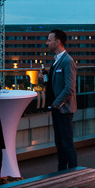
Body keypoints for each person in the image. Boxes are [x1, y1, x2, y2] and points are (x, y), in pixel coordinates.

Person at [38, 29, 77, 171]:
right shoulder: (56, 61)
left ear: (58, 42)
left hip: (63, 109)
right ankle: (62, 171)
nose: (47, 43)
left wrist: (56, 103)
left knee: (66, 143)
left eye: (49, 40)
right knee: (60, 144)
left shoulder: (67, 61)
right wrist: (44, 80)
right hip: (57, 109)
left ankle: (73, 172)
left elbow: (69, 88)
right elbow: (55, 85)